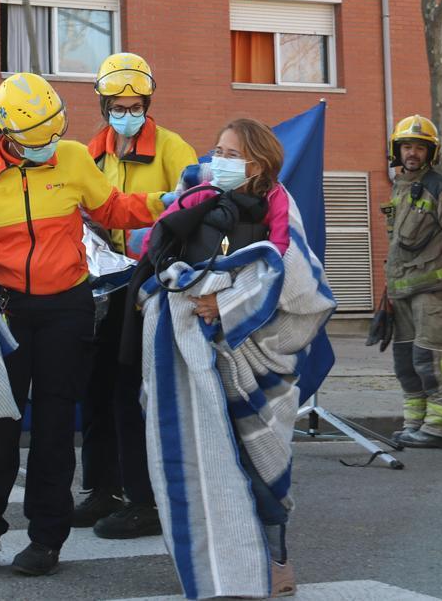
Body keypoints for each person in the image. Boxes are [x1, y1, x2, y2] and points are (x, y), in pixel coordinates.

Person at [0, 72, 167, 577]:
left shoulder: (72, 158)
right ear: (5, 131)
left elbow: (111, 207)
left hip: (68, 309)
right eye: (37, 140)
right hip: (8, 311)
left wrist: (169, 200)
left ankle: (46, 540)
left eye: (54, 134)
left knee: (52, 428)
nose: (48, 146)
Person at [136, 119, 335, 598]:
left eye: (228, 153)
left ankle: (276, 560)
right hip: (197, 352)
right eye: (217, 148)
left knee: (261, 462)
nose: (216, 160)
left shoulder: (280, 205)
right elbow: (157, 252)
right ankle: (218, 560)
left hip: (258, 356)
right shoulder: (195, 196)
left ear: (257, 164)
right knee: (204, 459)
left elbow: (300, 282)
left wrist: (226, 302)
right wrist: (189, 290)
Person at [75, 52, 197, 539]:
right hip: (101, 285)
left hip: (148, 287)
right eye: (118, 103)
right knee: (96, 390)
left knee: (131, 393)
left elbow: (197, 208)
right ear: (103, 105)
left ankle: (143, 500)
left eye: (135, 103)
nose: (127, 111)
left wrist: (158, 244)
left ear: (147, 101)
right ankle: (103, 488)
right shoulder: (90, 154)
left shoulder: (172, 148)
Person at [383, 115, 442, 449]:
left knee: (431, 360)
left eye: (420, 147)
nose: (412, 153)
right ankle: (415, 423)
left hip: (432, 293)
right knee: (406, 363)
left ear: (430, 153)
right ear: (397, 150)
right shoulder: (400, 187)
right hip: (403, 291)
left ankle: (441, 428)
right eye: (407, 146)